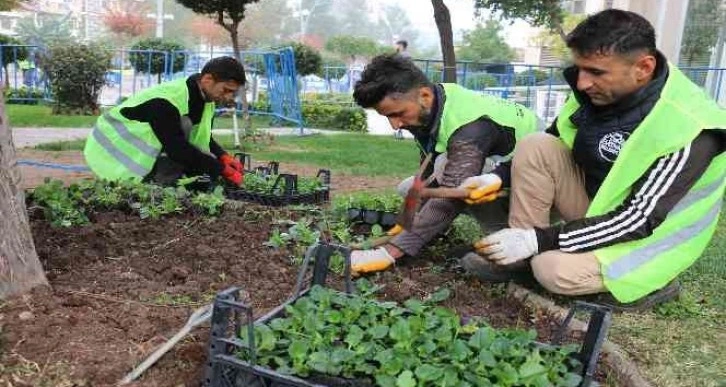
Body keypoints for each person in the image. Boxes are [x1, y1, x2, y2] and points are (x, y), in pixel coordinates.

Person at [461, 9, 725, 310]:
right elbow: (556, 137)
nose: (583, 82)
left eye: (596, 72)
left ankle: (655, 283)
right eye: (581, 69)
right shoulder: (598, 91)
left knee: (551, 269)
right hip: (602, 211)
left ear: (643, 67)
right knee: (536, 144)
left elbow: (638, 219)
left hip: (649, 239)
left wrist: (539, 240)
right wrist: (497, 176)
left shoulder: (691, 125)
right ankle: (519, 256)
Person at [349, 53, 541, 275]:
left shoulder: (469, 126)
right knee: (410, 188)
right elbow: (427, 175)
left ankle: (511, 253)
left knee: (462, 178)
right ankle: (431, 231)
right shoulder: (433, 104)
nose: (395, 125)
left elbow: (452, 194)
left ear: (424, 95)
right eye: (387, 117)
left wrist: (392, 251)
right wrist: (404, 224)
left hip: (538, 190)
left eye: (398, 114)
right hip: (504, 177)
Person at [84, 56, 246, 186]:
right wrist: (222, 169)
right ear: (207, 80)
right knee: (183, 127)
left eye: (233, 93)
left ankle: (163, 180)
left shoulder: (206, 99)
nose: (228, 97)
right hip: (111, 152)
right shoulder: (167, 102)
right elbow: (177, 149)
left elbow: (201, 137)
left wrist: (223, 156)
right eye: (226, 90)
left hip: (145, 150)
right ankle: (157, 182)